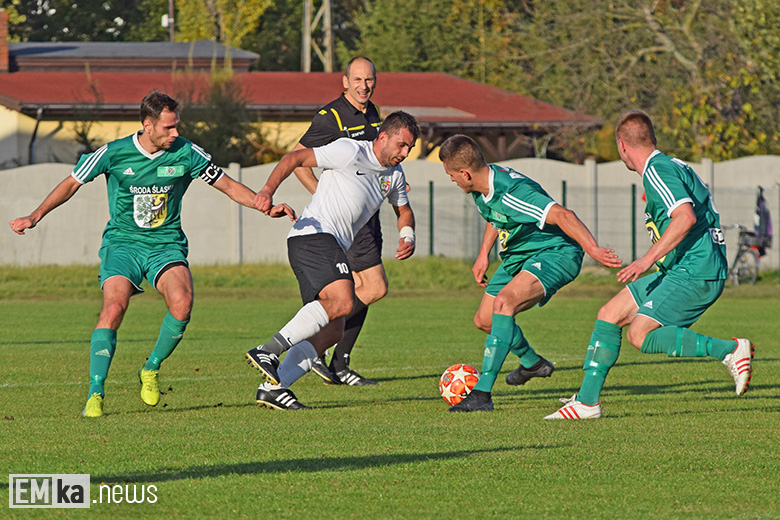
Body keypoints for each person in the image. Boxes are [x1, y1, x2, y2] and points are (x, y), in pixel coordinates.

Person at [9, 91, 295, 418]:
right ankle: (96, 390)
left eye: (177, 127)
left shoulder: (187, 152)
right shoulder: (114, 153)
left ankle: (151, 368)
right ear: (148, 125)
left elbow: (228, 186)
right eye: (169, 128)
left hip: (166, 245)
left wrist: (265, 207)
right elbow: (72, 183)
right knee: (114, 306)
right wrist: (35, 215)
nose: (176, 133)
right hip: (123, 244)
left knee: (183, 303)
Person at [545, 109, 754, 420]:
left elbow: (685, 218)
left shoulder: (658, 170)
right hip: (682, 267)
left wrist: (645, 260)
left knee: (639, 335)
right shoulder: (669, 165)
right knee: (609, 314)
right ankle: (587, 402)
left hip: (695, 270)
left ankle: (729, 349)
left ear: (622, 146)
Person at [245, 111, 419, 409]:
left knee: (333, 330)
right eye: (401, 145)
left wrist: (408, 235)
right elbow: (293, 158)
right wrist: (266, 191)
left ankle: (274, 387)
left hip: (331, 244)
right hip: (313, 235)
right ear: (383, 137)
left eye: (410, 149)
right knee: (343, 301)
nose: (404, 153)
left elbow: (403, 210)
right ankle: (268, 350)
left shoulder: (394, 176)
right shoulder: (349, 150)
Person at [438, 135, 622, 412]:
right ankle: (532, 363)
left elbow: (563, 215)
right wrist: (483, 255)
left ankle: (482, 394)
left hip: (555, 252)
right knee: (485, 320)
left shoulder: (514, 191)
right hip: (519, 256)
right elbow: (495, 217)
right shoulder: (480, 188)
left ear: (464, 173)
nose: (451, 180)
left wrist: (593, 249)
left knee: (504, 303)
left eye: (451, 175)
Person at [292, 56, 384, 386]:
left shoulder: (372, 113)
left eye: (369, 80)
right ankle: (319, 345)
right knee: (373, 287)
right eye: (357, 80)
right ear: (344, 82)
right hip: (347, 221)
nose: (364, 86)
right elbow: (297, 158)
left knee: (367, 289)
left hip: (368, 218)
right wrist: (325, 196)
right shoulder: (330, 117)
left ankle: (335, 359)